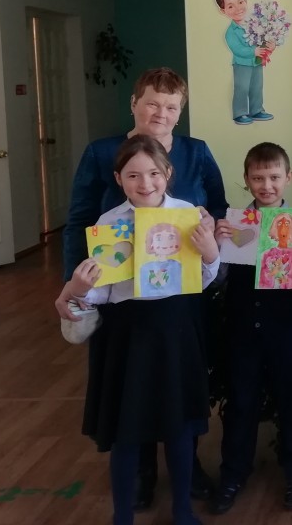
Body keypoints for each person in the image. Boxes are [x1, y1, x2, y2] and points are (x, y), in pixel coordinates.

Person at [58, 66, 227, 508]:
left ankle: (187, 469)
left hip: (180, 295)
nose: (160, 113)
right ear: (134, 104)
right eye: (152, 103)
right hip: (123, 297)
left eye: (171, 106)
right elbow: (79, 221)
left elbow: (217, 207)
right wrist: (74, 284)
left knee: (178, 389)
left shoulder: (196, 152)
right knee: (132, 391)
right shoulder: (101, 153)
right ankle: (142, 473)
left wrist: (212, 234)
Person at [210, 143, 292, 515]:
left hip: (286, 330)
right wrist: (217, 246)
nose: (267, 185)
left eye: (274, 177)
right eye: (258, 178)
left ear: (288, 178)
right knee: (241, 402)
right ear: (246, 180)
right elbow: (218, 280)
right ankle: (233, 474)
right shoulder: (237, 224)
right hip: (242, 330)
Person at [216, 0, 274, 125]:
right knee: (242, 88)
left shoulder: (255, 24)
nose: (238, 9)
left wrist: (270, 46)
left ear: (246, 1)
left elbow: (262, 39)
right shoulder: (231, 32)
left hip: (257, 62)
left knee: (257, 87)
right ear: (223, 10)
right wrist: (253, 51)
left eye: (240, 2)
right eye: (230, 6)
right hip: (241, 65)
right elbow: (237, 49)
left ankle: (257, 110)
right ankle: (240, 113)